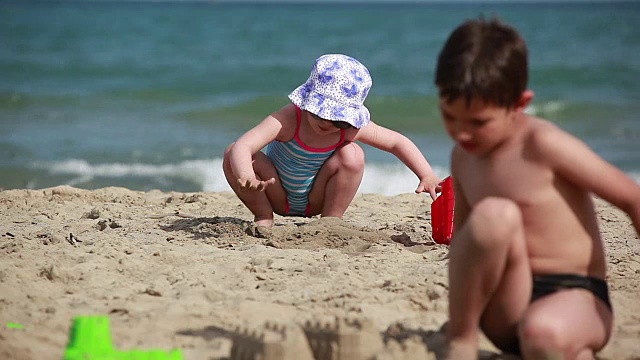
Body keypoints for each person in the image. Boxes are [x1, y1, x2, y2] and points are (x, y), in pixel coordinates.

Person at [434, 18, 640, 359]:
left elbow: (631, 198)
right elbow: (464, 239)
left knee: (543, 334)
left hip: (575, 294)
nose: (461, 133)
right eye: (448, 116)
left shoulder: (542, 143)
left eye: (478, 122)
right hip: (506, 304)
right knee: (494, 216)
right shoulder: (463, 157)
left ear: (520, 104)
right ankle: (461, 337)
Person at [223, 54, 440, 227]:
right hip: (273, 192)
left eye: (339, 119)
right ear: (308, 102)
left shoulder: (349, 130)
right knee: (232, 152)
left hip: (317, 198)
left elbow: (396, 142)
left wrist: (426, 175)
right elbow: (244, 145)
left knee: (353, 154)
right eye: (320, 113)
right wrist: (246, 176)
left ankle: (331, 221)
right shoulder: (290, 119)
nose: (328, 123)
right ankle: (263, 216)